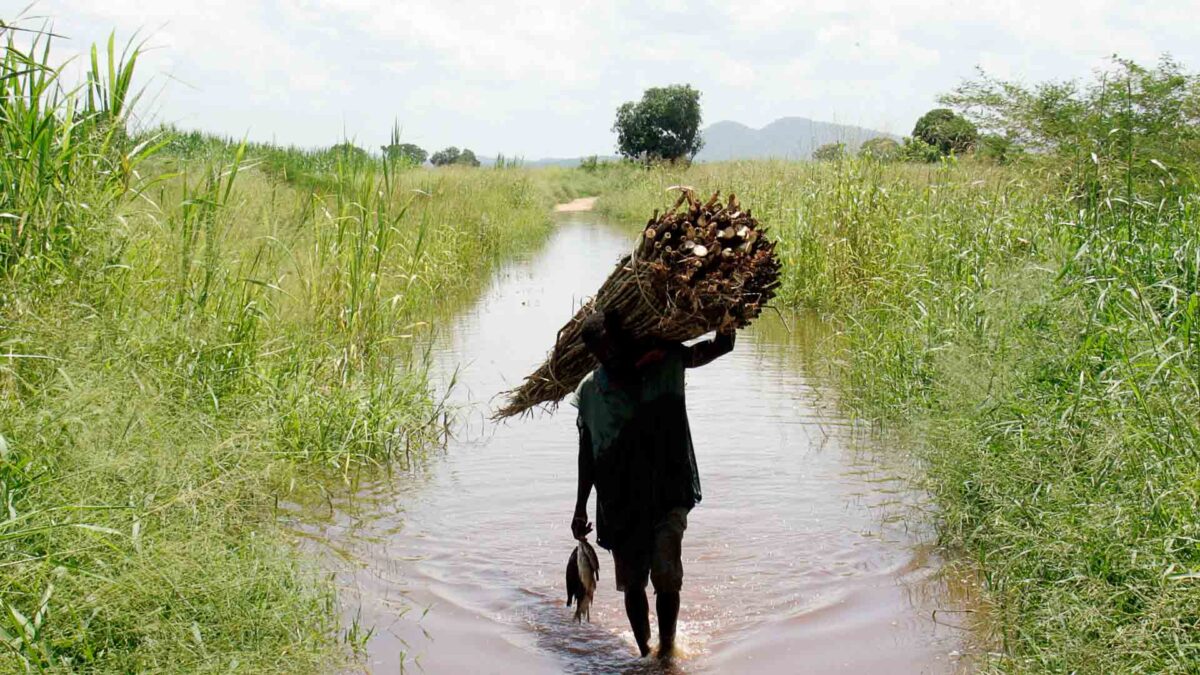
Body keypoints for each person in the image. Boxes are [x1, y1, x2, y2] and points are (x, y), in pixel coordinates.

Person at [571, 308, 735, 659]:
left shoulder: (666, 362)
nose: (609, 357)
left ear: (625, 338)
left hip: (667, 489)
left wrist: (728, 314)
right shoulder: (590, 392)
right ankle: (646, 652)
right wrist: (580, 506)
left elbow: (722, 346)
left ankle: (666, 652)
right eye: (600, 353)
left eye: (612, 348)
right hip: (619, 502)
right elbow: (588, 454)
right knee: (632, 584)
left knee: (666, 576)